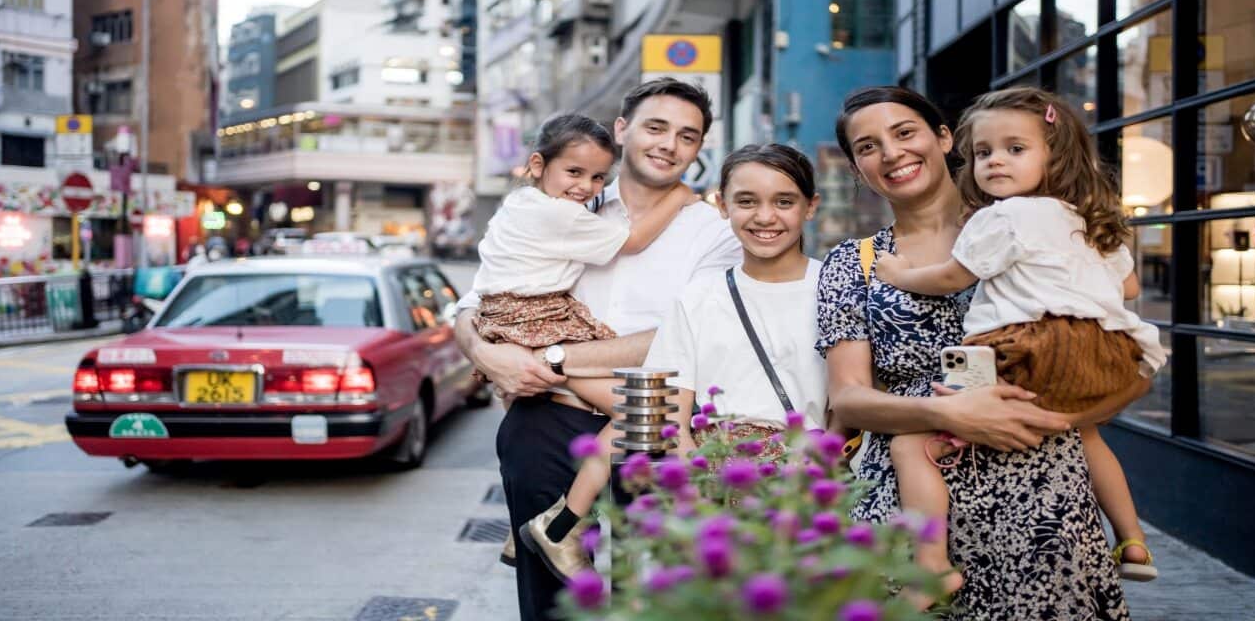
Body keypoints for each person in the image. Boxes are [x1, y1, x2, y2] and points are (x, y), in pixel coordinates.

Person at [818, 86, 1135, 620]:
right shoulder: (854, 264)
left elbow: (1105, 357)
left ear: (945, 138)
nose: (891, 153)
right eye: (868, 147)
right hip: (905, 509)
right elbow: (848, 399)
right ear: (856, 168)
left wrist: (1061, 412)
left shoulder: (1041, 228)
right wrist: (947, 413)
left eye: (904, 132)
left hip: (1041, 505)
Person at [454, 77, 741, 621]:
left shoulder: (714, 231)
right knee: (553, 606)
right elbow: (478, 300)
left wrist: (553, 360)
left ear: (699, 148)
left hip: (648, 427)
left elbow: (688, 337)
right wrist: (482, 351)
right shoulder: (565, 203)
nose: (669, 144)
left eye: (687, 136)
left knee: (646, 599)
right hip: (546, 421)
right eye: (656, 127)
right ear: (623, 130)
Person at [466, 112, 695, 575]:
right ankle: (558, 527)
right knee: (648, 410)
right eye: (574, 172)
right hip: (535, 320)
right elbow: (633, 240)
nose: (586, 186)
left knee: (639, 409)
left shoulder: (524, 204)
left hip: (519, 317)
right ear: (538, 165)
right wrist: (679, 196)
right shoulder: (555, 213)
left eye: (596, 177)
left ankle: (528, 527)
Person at [647, 144, 828, 458]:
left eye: (784, 202)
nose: (765, 217)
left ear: (810, 207)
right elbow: (669, 416)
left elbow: (849, 406)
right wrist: (698, 477)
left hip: (809, 473)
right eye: (746, 201)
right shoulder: (698, 298)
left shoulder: (835, 290)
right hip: (713, 472)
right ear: (722, 204)